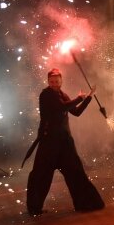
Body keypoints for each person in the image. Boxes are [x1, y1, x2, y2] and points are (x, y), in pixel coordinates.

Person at [25, 68, 103, 216]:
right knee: (41, 175)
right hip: (49, 143)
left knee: (76, 173)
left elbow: (76, 112)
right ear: (48, 81)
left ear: (61, 81)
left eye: (57, 81)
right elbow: (61, 107)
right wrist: (79, 98)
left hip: (65, 143)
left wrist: (89, 97)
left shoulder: (62, 94)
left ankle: (85, 204)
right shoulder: (46, 95)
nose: (54, 83)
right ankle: (34, 208)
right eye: (52, 81)